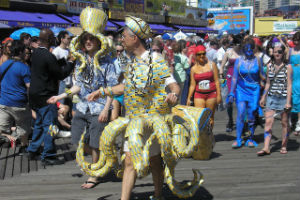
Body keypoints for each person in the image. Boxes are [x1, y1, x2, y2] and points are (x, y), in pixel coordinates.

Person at [88, 15, 180, 200]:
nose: (121, 39)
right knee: (129, 161)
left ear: (134, 38)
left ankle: (158, 193)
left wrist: (174, 95)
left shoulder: (155, 59)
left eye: (124, 36)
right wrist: (104, 91)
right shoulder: (131, 64)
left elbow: (173, 85)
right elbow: (125, 87)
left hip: (153, 121)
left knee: (155, 161)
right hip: (134, 121)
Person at [47, 7, 118, 189]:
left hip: (100, 107)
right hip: (83, 107)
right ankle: (105, 156)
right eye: (85, 38)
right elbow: (79, 86)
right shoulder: (80, 61)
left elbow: (110, 89)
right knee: (76, 140)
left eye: (90, 38)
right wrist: (60, 96)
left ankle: (93, 175)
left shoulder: (107, 62)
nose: (87, 41)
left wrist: (105, 109)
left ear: (98, 40)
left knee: (94, 143)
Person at [26, 29, 74, 165]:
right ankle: (48, 155)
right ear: (50, 39)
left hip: (35, 94)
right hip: (46, 96)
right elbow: (61, 74)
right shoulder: (48, 55)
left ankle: (33, 150)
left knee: (40, 124)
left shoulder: (36, 53)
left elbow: (50, 67)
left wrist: (62, 61)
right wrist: (70, 62)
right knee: (51, 125)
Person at [227, 38, 264, 148]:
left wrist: (267, 80)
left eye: (251, 48)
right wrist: (231, 93)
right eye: (246, 49)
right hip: (241, 90)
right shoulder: (239, 61)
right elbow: (234, 78)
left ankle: (250, 138)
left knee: (252, 114)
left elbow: (262, 75)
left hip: (254, 90)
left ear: (254, 49)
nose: (249, 51)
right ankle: (238, 139)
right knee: (241, 112)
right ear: (243, 49)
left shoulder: (258, 60)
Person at [257, 43, 292, 156]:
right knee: (268, 122)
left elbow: (289, 85)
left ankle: (283, 145)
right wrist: (263, 97)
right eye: (275, 51)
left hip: (283, 97)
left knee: (284, 123)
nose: (277, 54)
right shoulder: (269, 66)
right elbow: (268, 83)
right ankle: (266, 147)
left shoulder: (288, 67)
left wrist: (288, 102)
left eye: (280, 52)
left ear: (283, 54)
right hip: (271, 97)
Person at [0, 40, 31, 154]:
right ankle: (24, 147)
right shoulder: (24, 67)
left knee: (1, 127)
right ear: (22, 52)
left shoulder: (4, 64)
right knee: (23, 126)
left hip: (4, 103)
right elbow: (29, 86)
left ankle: (7, 139)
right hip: (19, 104)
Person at [187, 45, 221, 128]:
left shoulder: (212, 65)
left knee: (210, 117)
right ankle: (202, 137)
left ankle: (209, 137)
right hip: (199, 94)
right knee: (199, 117)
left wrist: (219, 95)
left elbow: (217, 81)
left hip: (211, 94)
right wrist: (188, 98)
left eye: (203, 53)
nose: (202, 56)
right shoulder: (193, 69)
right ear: (195, 56)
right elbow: (192, 84)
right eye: (199, 54)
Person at [219, 36, 242, 132]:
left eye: (238, 43)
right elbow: (222, 66)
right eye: (234, 44)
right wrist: (221, 77)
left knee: (241, 100)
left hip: (241, 78)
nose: (236, 45)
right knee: (229, 101)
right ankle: (230, 120)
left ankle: (241, 121)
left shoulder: (243, 52)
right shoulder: (229, 52)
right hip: (230, 77)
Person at [289, 32, 300, 135]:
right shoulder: (290, 50)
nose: (296, 42)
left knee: (299, 98)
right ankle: (292, 121)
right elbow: (287, 63)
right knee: (292, 98)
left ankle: (298, 124)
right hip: (292, 74)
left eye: (298, 40)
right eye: (295, 40)